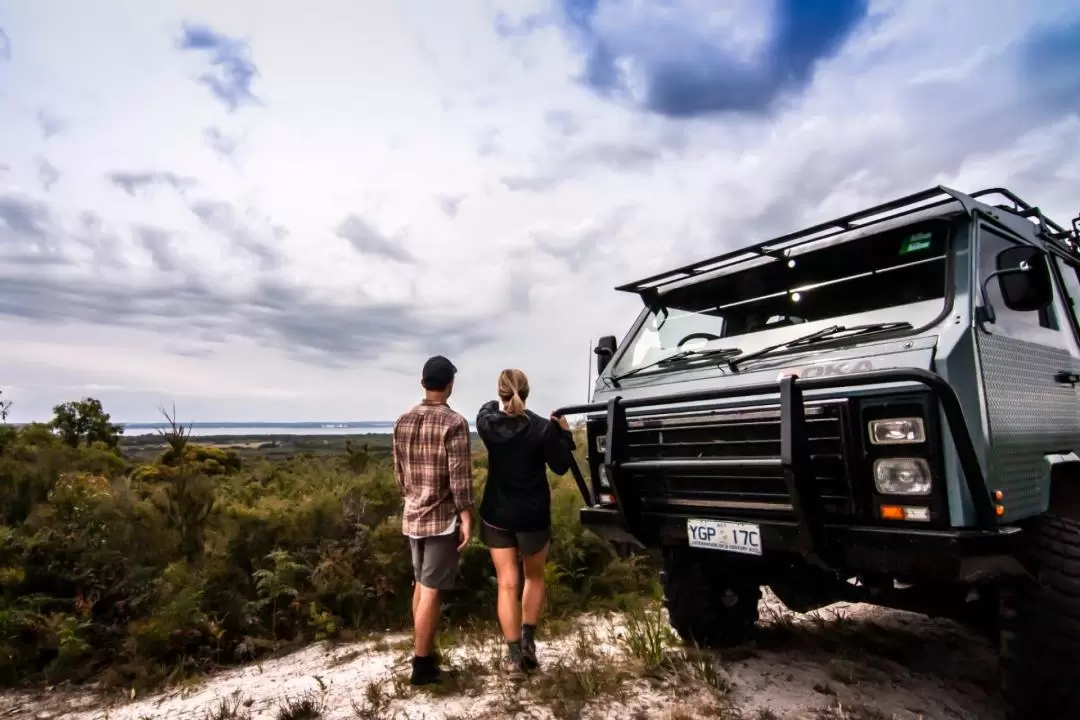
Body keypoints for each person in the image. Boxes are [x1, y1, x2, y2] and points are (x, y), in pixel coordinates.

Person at [475, 368, 576, 675]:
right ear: (528, 391)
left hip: (497, 514)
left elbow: (486, 409)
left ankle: (514, 657)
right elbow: (561, 467)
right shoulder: (544, 428)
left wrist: (499, 401)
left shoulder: (489, 426)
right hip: (532, 515)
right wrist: (565, 432)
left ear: (501, 392)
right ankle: (529, 643)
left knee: (507, 584)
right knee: (533, 578)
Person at [392, 355, 474, 686]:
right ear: (450, 384)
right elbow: (460, 478)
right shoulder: (454, 423)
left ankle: (422, 650)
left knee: (420, 584)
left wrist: (411, 497)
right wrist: (466, 515)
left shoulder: (402, 420)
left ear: (423, 382)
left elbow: (398, 473)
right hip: (440, 518)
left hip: (412, 515)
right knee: (430, 589)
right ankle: (422, 664)